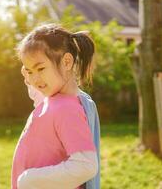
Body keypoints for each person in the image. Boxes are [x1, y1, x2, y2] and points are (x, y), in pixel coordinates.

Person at [11, 23, 100, 189]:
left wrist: (29, 180)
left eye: (41, 68)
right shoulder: (56, 101)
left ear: (67, 62)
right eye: (30, 71)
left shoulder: (67, 110)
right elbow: (46, 110)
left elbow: (86, 165)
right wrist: (30, 81)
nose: (35, 79)